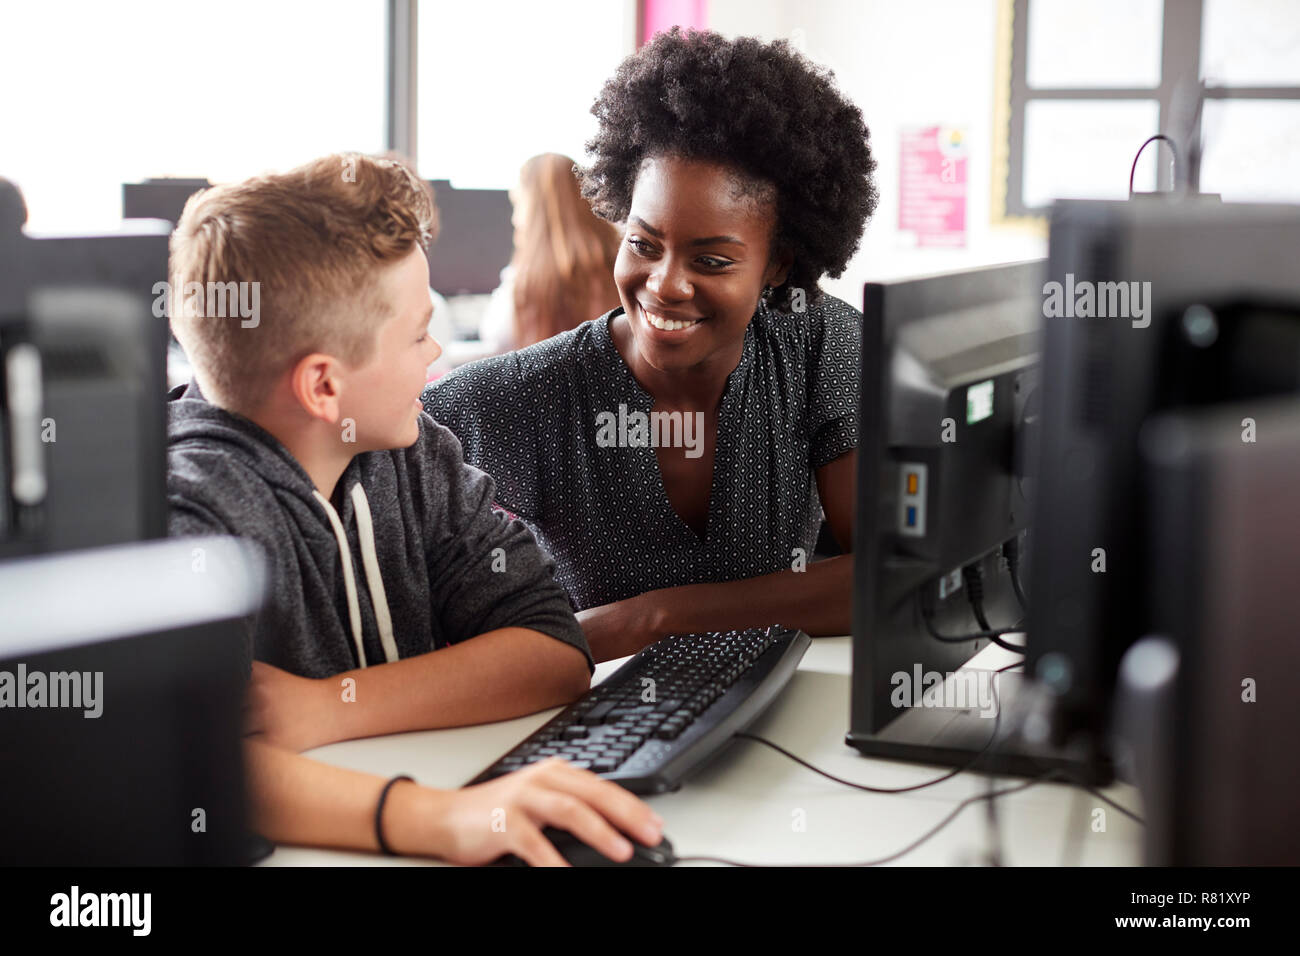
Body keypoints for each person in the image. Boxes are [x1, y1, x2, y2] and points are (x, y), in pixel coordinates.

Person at [166, 153, 662, 865]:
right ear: (323, 388)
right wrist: (441, 820)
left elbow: (553, 651)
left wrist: (324, 704)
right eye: (416, 334)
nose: (435, 352)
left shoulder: (412, 451)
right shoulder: (191, 510)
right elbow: (186, 760)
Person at [423, 28, 879, 663]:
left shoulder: (819, 343)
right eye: (642, 244)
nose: (664, 286)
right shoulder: (504, 401)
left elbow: (883, 576)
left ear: (779, 266)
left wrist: (652, 618)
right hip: (590, 730)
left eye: (712, 261)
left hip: (776, 709)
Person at [480, 152, 622, 352]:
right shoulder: (618, 265)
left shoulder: (523, 285)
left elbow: (494, 336)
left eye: (518, 205)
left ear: (532, 211)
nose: (515, 218)